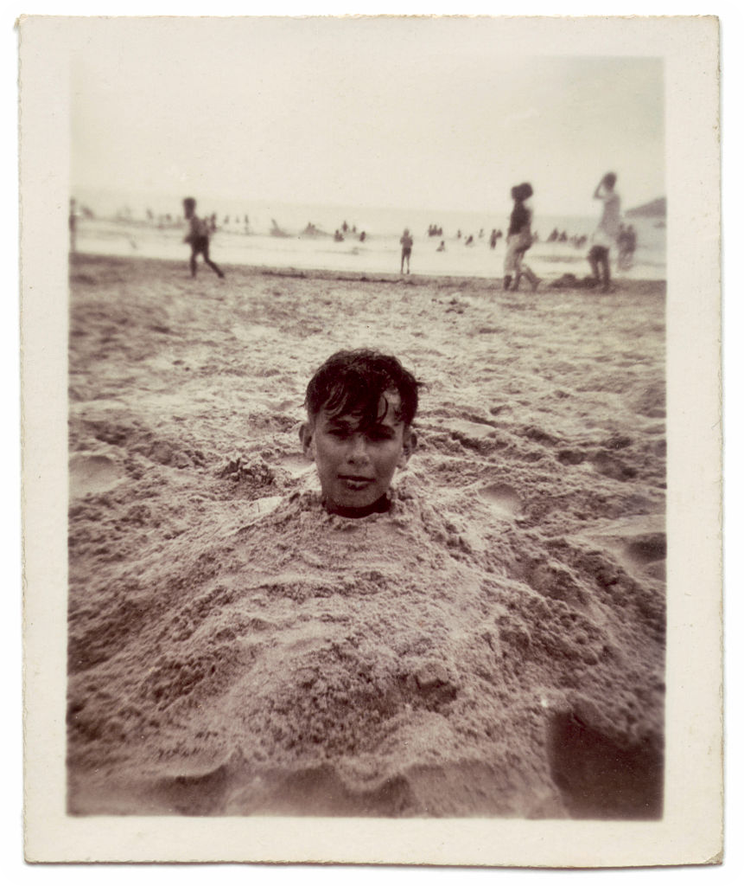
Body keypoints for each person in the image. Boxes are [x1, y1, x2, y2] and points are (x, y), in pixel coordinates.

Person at [299, 349, 420, 518]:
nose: (358, 455)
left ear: (405, 448)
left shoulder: (438, 533)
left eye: (378, 436)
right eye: (340, 433)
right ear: (308, 441)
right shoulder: (269, 528)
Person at [503, 182, 540, 292]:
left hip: (519, 236)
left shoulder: (522, 205)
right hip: (525, 236)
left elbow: (516, 224)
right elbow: (526, 222)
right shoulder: (527, 205)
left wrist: (510, 235)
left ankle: (508, 278)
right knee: (517, 261)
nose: (511, 196)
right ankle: (529, 281)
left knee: (511, 259)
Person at [588, 172, 621, 292]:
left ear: (607, 183)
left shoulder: (613, 195)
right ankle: (605, 284)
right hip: (606, 229)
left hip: (607, 230)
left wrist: (600, 182)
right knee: (603, 257)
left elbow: (596, 196)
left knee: (593, 256)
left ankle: (599, 281)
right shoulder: (613, 195)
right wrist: (601, 182)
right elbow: (595, 196)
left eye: (605, 183)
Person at [183, 197, 225, 279]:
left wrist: (189, 238)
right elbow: (203, 230)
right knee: (206, 259)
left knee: (194, 258)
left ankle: (193, 275)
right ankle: (220, 273)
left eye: (186, 207)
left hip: (200, 240)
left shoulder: (194, 219)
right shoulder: (195, 218)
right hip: (203, 239)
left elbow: (197, 231)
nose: (185, 210)